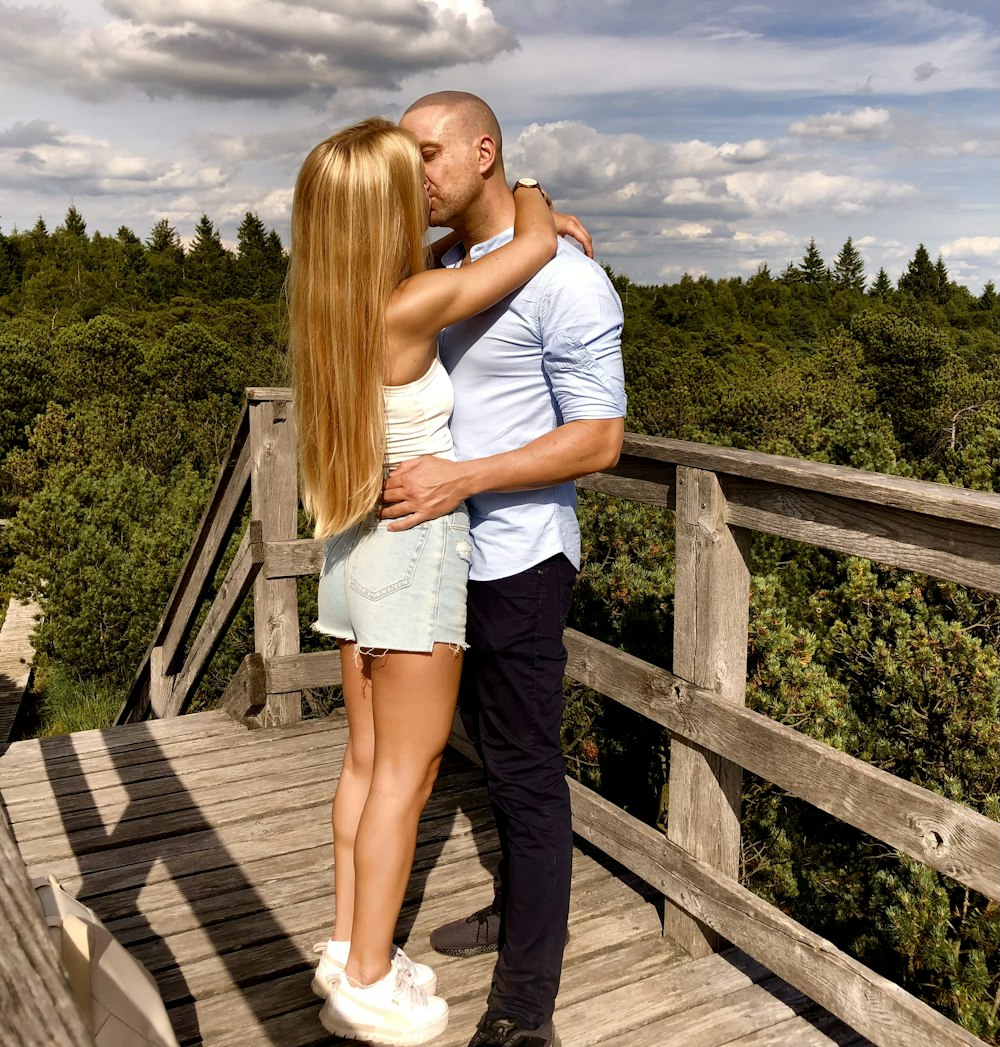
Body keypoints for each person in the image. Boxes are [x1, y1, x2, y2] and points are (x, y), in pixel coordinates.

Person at [289, 116, 562, 1045]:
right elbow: (524, 245)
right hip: (414, 556)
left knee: (364, 764)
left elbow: (453, 263)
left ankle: (345, 941)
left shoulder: (336, 306)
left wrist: (471, 237)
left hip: (355, 547)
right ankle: (368, 980)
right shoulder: (409, 305)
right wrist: (536, 197)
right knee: (408, 774)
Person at [381, 93, 626, 1047]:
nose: (418, 174)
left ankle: (526, 1002)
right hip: (444, 556)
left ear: (485, 152)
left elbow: (601, 439)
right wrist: (535, 199)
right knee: (484, 752)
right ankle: (522, 908)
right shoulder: (449, 265)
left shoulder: (565, 280)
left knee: (525, 771)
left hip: (519, 563)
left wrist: (465, 478)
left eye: (430, 153)